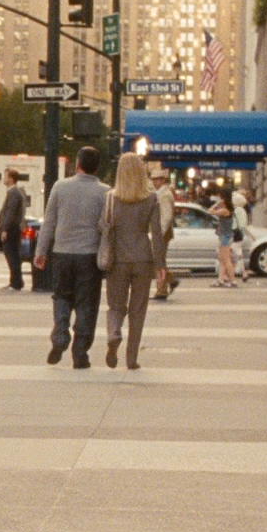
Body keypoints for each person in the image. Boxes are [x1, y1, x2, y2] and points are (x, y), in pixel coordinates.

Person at [36, 147, 110, 368]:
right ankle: (80, 353)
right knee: (87, 304)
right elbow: (107, 227)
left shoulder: (60, 187)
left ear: (78, 163)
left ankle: (60, 335)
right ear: (97, 166)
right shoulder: (105, 192)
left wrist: (41, 251)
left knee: (61, 297)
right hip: (89, 256)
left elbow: (49, 222)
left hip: (62, 254)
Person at [101, 152, 165, 370]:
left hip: (117, 260)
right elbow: (157, 233)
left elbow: (102, 226)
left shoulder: (111, 198)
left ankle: (114, 334)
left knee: (115, 306)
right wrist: (160, 264)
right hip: (143, 259)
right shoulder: (151, 198)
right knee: (138, 310)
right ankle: (131, 359)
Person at [0, 168, 29, 291]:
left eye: (5, 176)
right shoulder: (14, 192)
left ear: (10, 179)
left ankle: (16, 283)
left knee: (12, 256)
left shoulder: (13, 193)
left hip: (11, 229)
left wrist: (4, 229)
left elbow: (10, 212)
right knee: (13, 255)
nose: (4, 179)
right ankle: (16, 281)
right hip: (13, 228)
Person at [152, 166, 176, 299]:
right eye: (153, 180)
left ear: (162, 180)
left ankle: (162, 289)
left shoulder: (164, 194)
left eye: (157, 180)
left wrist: (159, 232)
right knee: (159, 260)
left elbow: (167, 216)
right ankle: (169, 281)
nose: (154, 182)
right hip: (161, 231)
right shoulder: (161, 193)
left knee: (158, 261)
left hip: (162, 232)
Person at [208, 188, 236, 287]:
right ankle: (220, 279)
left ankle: (233, 280)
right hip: (224, 236)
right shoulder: (228, 209)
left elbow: (210, 211)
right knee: (222, 259)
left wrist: (217, 204)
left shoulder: (225, 210)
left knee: (226, 259)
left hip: (225, 237)